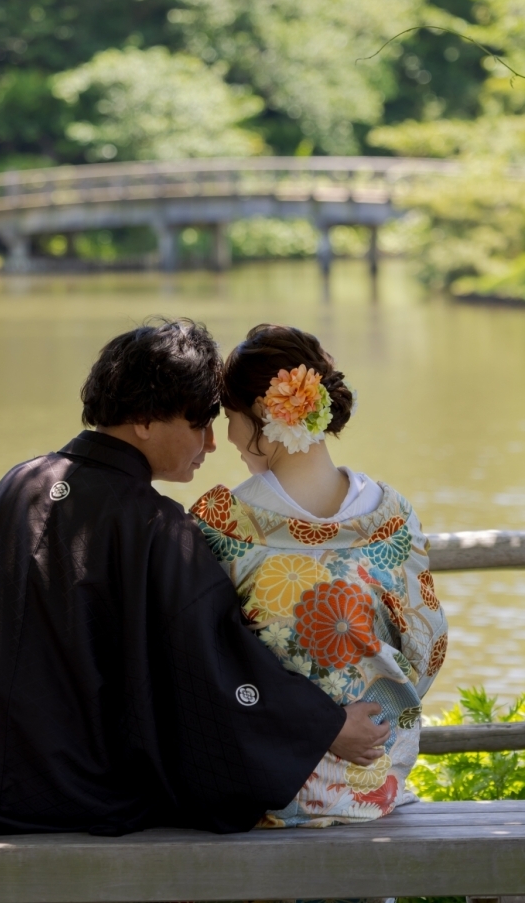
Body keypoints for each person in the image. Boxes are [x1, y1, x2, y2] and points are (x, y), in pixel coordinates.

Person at [0, 319, 388, 838]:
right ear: (141, 419)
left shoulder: (23, 484)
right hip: (78, 795)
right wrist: (326, 726)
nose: (211, 443)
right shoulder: (158, 528)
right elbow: (215, 669)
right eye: (198, 422)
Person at [191, 322, 448, 828]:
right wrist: (375, 706)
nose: (228, 437)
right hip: (374, 778)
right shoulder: (392, 514)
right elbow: (428, 642)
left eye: (230, 417)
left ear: (265, 414)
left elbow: (208, 659)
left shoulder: (224, 521)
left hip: (268, 784)